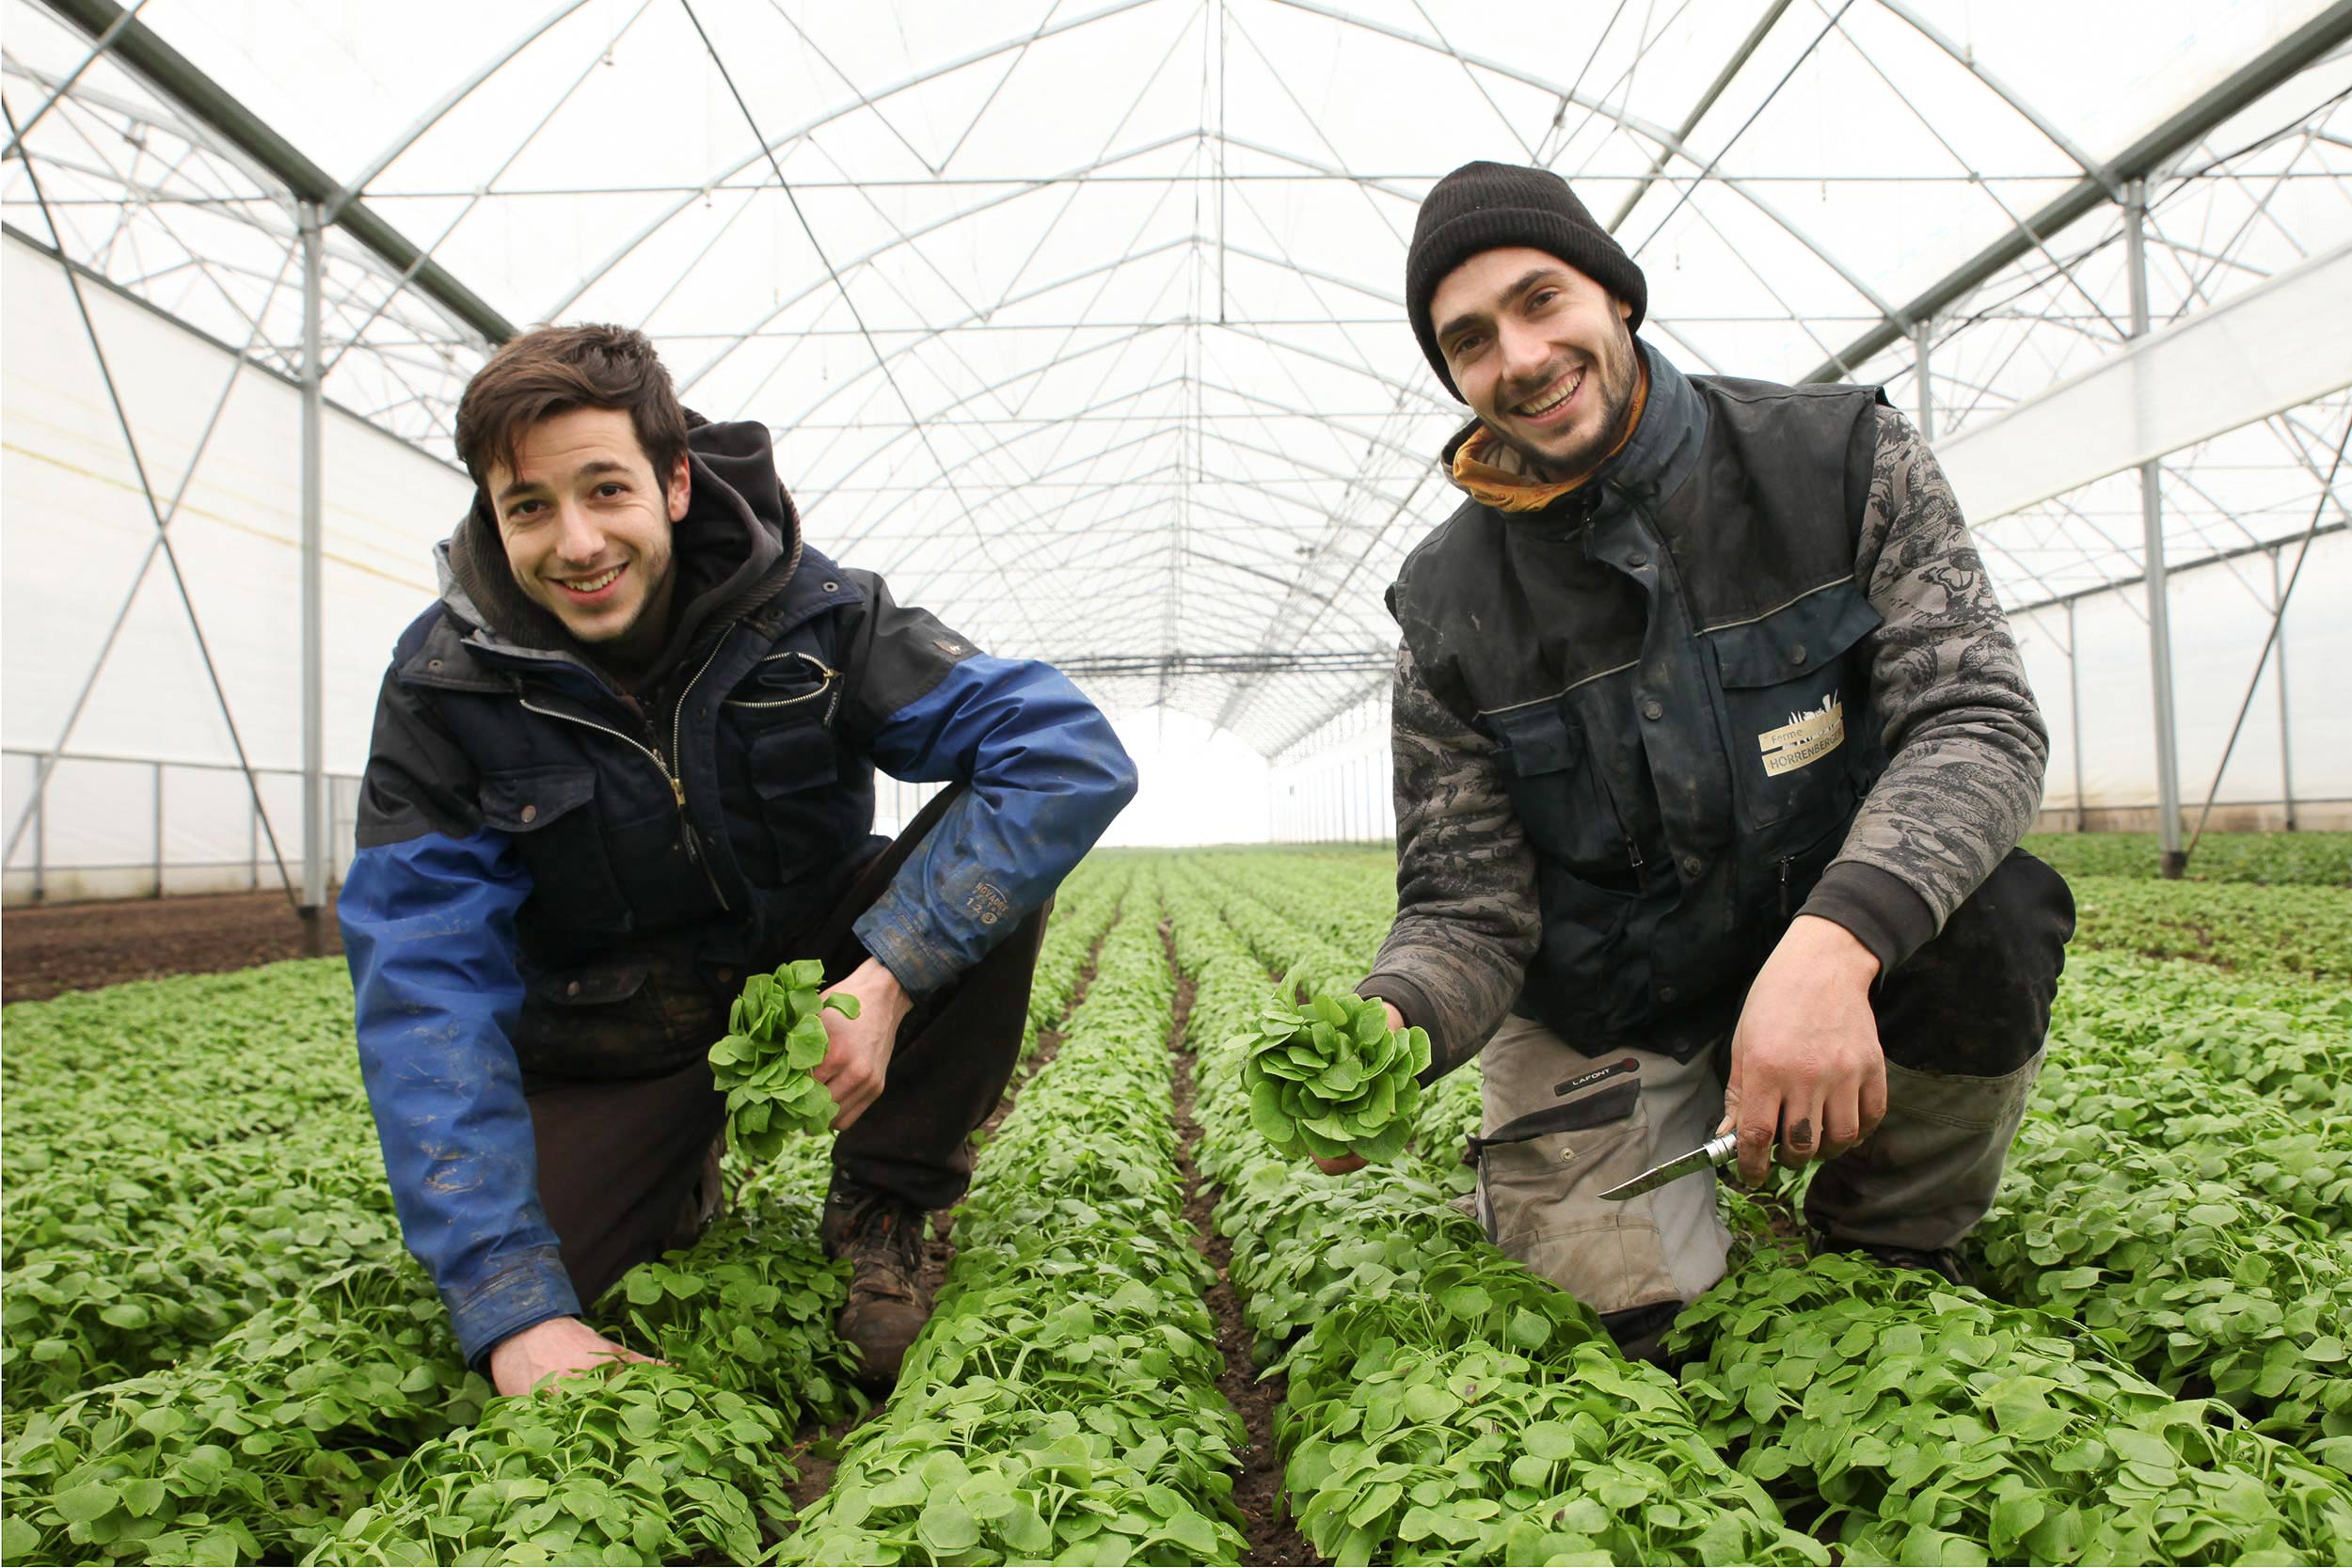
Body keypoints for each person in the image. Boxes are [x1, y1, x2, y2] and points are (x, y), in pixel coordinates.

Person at [1347, 161, 2075, 1357]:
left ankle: (1887, 1237)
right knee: (1616, 1334)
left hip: (1835, 946)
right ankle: (1630, 1195)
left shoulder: (1838, 460)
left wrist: (1835, 945)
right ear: (1454, 375)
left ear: (1616, 297)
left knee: (1993, 920)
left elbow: (1975, 717)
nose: (1519, 356)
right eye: (1469, 339)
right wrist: (1396, 1020)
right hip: (1614, 997)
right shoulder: (1446, 605)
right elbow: (1465, 903)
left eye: (1540, 300)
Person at [339, 325, 1136, 1394]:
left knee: (991, 865)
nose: (576, 542)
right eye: (529, 506)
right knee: (544, 1289)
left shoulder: (810, 611)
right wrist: (508, 1296)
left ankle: (881, 1202)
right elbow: (423, 980)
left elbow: (1065, 752)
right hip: (610, 1030)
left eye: (606, 490)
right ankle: (672, 1169)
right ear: (491, 511)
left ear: (674, 482)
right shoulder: (446, 683)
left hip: (808, 965)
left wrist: (891, 976)